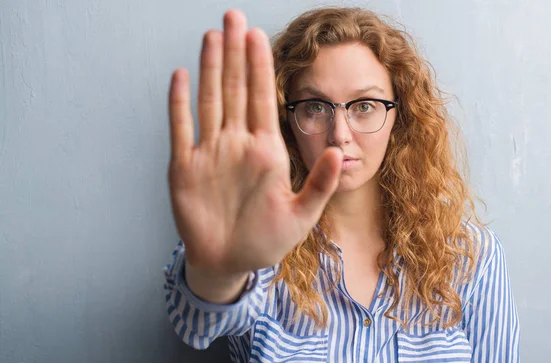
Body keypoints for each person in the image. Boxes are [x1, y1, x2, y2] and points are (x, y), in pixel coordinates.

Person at [163, 7, 520, 362]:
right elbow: (199, 323)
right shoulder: (256, 238)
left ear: (401, 115)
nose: (339, 134)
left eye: (364, 105)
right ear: (286, 120)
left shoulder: (471, 257)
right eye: (315, 107)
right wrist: (222, 270)